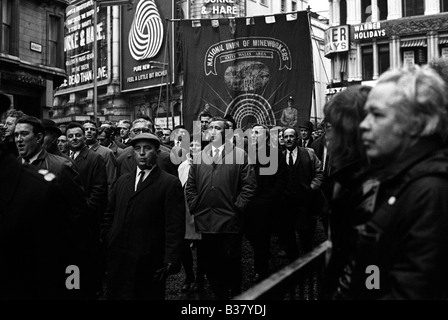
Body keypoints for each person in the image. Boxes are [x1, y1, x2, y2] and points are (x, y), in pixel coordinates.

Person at [334, 66, 448, 299]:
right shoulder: (401, 180)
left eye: (377, 115)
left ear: (415, 123)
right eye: (366, 115)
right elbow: (375, 271)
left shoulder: (430, 191)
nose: (364, 125)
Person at [0, 93, 78, 299]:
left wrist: (73, 282)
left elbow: (76, 223)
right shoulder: (13, 167)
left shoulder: (61, 167)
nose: (18, 140)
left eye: (24, 134)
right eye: (15, 135)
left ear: (39, 137)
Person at [102, 133, 185, 299]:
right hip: (120, 257)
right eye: (137, 149)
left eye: (147, 148)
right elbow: (109, 214)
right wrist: (107, 237)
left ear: (157, 152)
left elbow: (174, 225)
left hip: (148, 258)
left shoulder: (168, 183)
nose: (141, 153)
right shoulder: (123, 181)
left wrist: (171, 259)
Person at [186, 117, 257, 299]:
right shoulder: (201, 155)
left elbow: (249, 186)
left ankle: (235, 291)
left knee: (231, 259)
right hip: (206, 218)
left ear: (227, 132)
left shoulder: (240, 155)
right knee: (209, 260)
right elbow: (191, 185)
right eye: (210, 127)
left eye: (217, 128)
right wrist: (195, 204)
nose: (213, 131)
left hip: (229, 219)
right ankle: (220, 293)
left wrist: (237, 208)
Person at [318, 85, 374, 299]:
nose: (327, 137)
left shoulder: (369, 187)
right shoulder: (350, 179)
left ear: (350, 132)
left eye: (332, 128)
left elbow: (372, 266)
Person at [66, 121, 108, 299]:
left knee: (89, 257)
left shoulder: (94, 158)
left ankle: (93, 289)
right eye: (70, 136)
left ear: (84, 137)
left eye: (77, 135)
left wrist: (86, 213)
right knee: (70, 258)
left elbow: (99, 189)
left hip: (87, 220)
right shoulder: (63, 157)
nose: (74, 139)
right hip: (67, 219)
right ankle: (72, 288)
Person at [244, 123, 286, 282]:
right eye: (252, 133)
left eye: (257, 133)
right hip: (248, 201)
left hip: (265, 202)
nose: (253, 135)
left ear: (266, 137)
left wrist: (270, 198)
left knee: (262, 236)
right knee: (251, 235)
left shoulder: (274, 154)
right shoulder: (246, 152)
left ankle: (261, 268)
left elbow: (281, 179)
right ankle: (264, 256)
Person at [177, 135, 205, 293]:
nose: (194, 148)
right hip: (185, 210)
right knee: (183, 247)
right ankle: (189, 276)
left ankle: (200, 278)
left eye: (198, 145)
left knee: (202, 248)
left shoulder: (208, 164)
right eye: (192, 145)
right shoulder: (182, 166)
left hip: (201, 209)